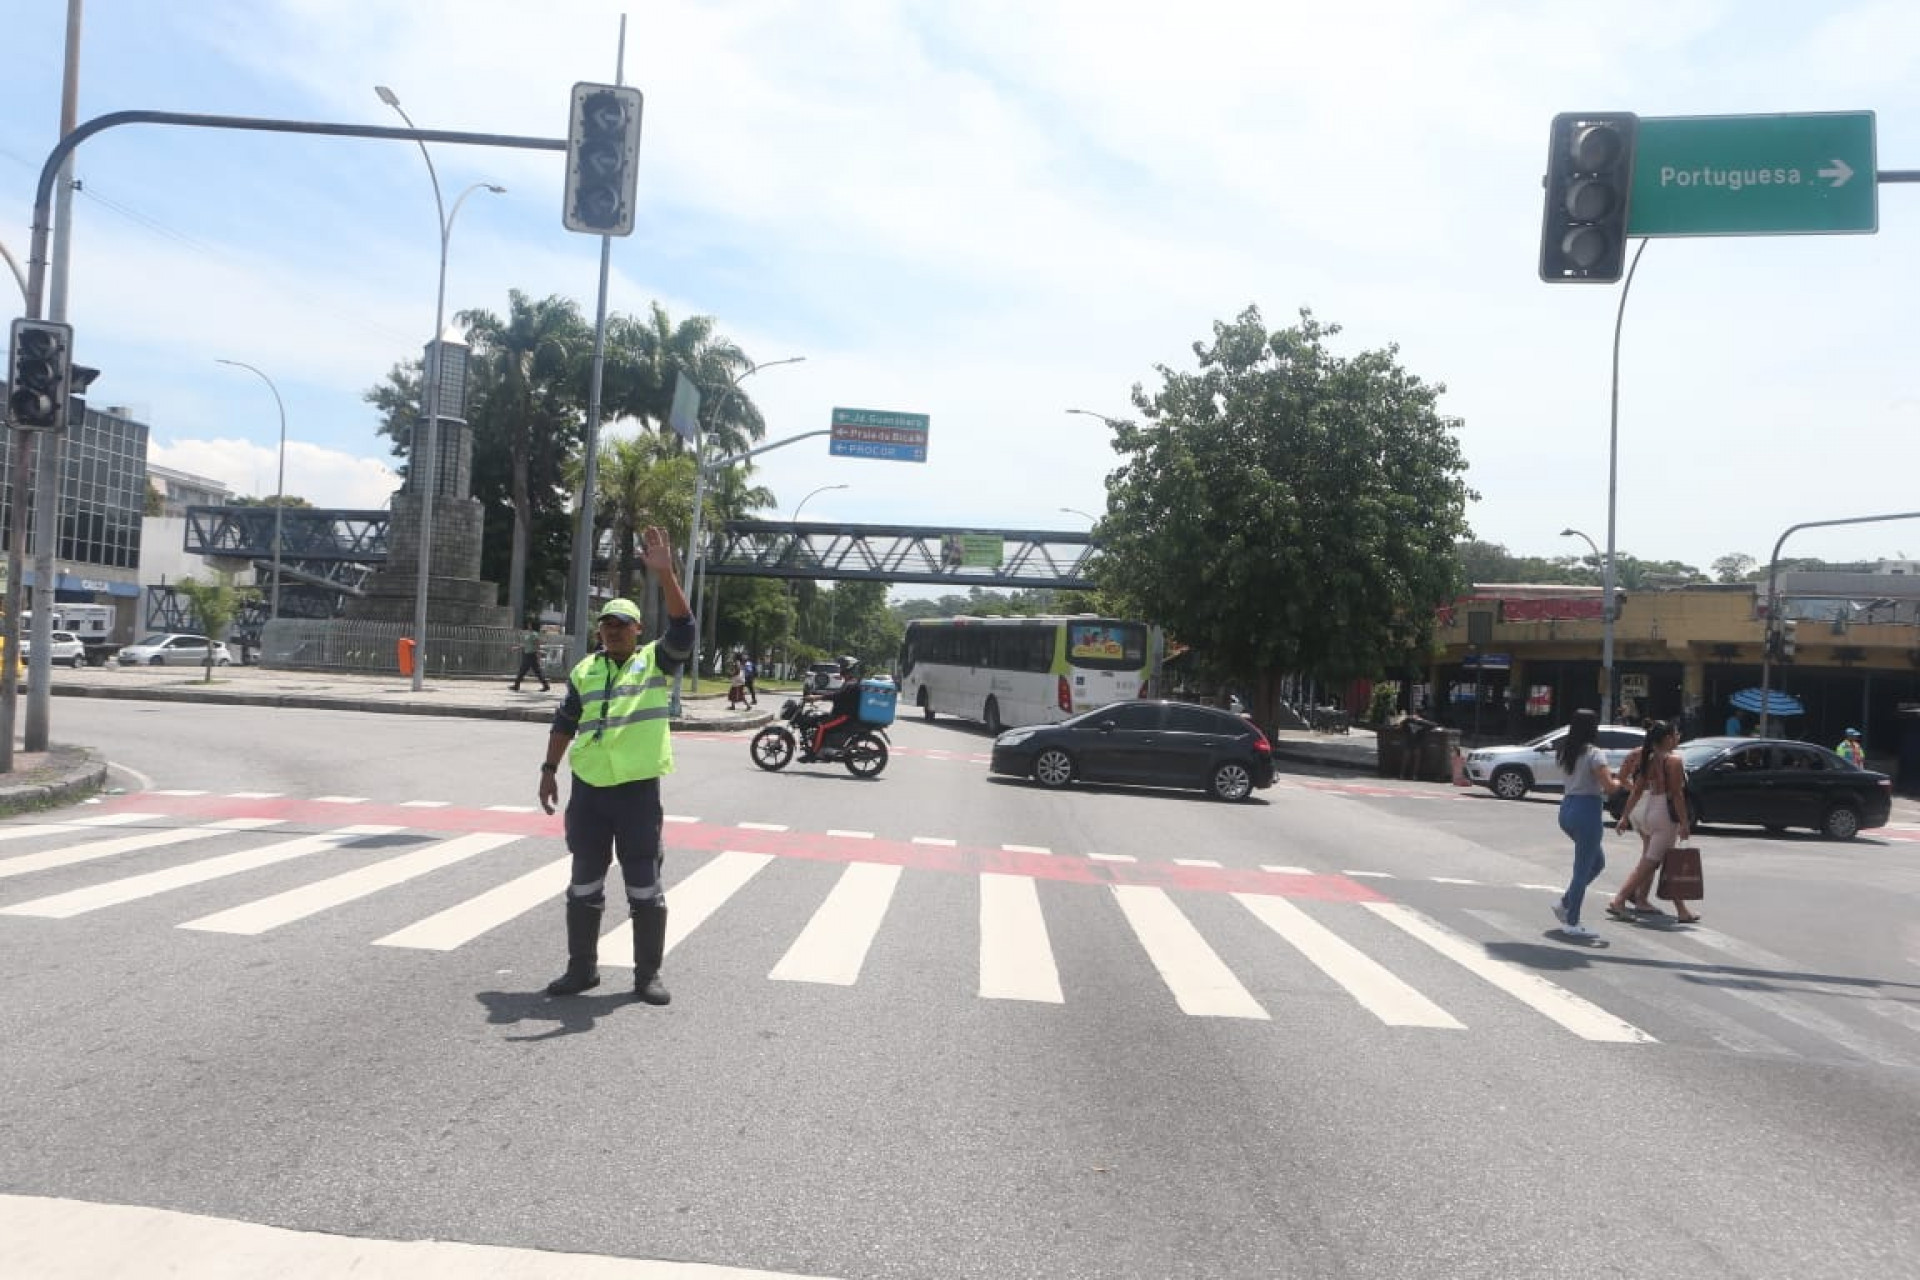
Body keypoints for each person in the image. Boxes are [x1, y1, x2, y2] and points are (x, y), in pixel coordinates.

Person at [537, 526, 694, 1006]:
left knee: (643, 884)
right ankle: (581, 970)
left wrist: (666, 575)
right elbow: (565, 720)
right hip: (589, 791)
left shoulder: (655, 662)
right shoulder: (585, 669)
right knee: (584, 880)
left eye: (622, 624)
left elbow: (684, 631)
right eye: (607, 623)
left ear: (638, 629)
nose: (612, 629)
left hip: (636, 793)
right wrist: (548, 770)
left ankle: (647, 976)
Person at [1605, 720, 1699, 925]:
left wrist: (1624, 816)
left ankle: (1681, 909)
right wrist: (1684, 822)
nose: (1678, 738)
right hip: (1665, 814)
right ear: (1667, 739)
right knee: (1650, 862)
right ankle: (1620, 899)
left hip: (1650, 811)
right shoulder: (1673, 760)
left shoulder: (1649, 758)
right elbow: (1676, 794)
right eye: (1676, 734)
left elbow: (1637, 791)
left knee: (1664, 861)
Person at [1552, 709, 1620, 941]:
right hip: (1587, 809)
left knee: (1597, 862)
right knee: (1582, 868)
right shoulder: (1594, 753)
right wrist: (1621, 781)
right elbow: (1609, 787)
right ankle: (1572, 920)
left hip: (1567, 807)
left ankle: (1565, 902)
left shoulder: (1565, 751)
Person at [802, 655, 865, 758]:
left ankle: (813, 754)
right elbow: (837, 694)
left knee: (821, 727)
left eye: (841, 666)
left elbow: (837, 696)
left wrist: (817, 698)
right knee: (819, 718)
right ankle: (824, 746)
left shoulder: (851, 684)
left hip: (845, 716)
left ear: (847, 668)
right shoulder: (849, 682)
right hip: (841, 714)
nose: (840, 669)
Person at [510, 619, 550, 693]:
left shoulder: (534, 634)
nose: (528, 625)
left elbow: (537, 644)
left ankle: (516, 686)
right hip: (527, 654)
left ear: (532, 626)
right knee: (532, 671)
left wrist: (538, 654)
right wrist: (517, 648)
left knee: (525, 670)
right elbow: (526, 645)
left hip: (531, 655)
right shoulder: (528, 634)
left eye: (529, 624)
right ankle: (546, 685)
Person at [1397, 710, 1438, 780]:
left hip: (1413, 743)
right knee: (1411, 759)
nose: (1415, 717)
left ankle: (1408, 775)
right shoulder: (1411, 720)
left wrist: (1421, 720)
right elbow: (1434, 725)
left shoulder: (1416, 721)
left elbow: (1400, 725)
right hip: (1413, 743)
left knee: (1411, 758)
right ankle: (1408, 775)